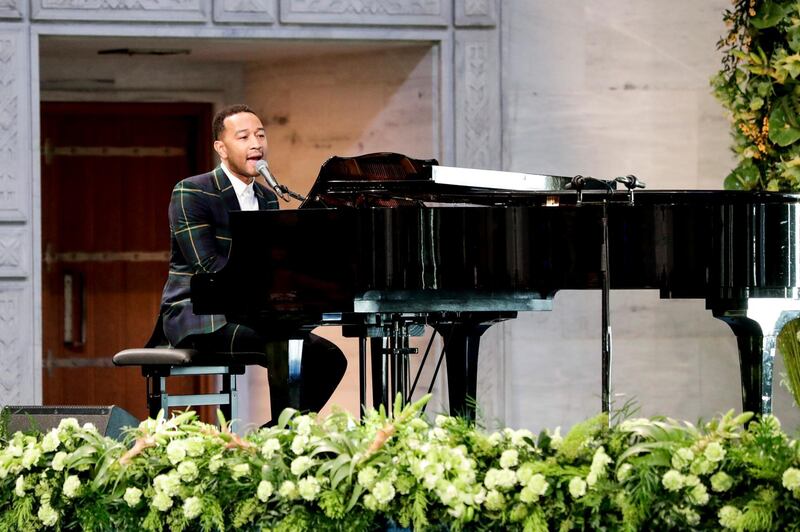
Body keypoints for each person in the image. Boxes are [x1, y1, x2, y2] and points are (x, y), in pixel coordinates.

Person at [155, 103, 347, 421]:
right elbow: (208, 266)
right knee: (286, 345)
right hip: (200, 315)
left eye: (260, 135)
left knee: (330, 358)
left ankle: (274, 436)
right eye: (243, 137)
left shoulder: (267, 197)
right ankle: (282, 441)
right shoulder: (193, 191)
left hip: (252, 314)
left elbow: (273, 262)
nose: (256, 143)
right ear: (221, 147)